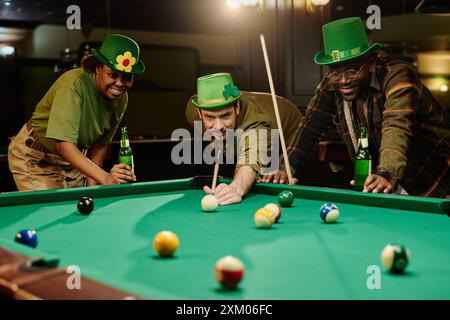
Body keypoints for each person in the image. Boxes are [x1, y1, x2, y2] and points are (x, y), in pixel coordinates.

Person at [263, 17, 450, 198]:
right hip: (392, 186)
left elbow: (396, 125)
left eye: (352, 71)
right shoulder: (333, 82)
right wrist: (286, 167)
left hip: (439, 179)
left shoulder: (397, 76)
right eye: (335, 72)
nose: (343, 80)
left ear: (370, 63)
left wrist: (386, 173)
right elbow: (309, 127)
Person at [8, 34, 145, 191]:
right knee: (54, 211)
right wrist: (106, 177)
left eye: (127, 77)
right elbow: (64, 146)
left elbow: (100, 146)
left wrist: (93, 189)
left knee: (80, 209)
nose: (120, 83)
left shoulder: (121, 98)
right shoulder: (73, 85)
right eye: (113, 75)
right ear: (98, 68)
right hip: (37, 158)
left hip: (74, 161)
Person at [185, 73, 303, 205]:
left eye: (225, 116)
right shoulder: (192, 113)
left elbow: (252, 156)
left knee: (274, 172)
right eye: (210, 117)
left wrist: (236, 188)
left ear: (237, 108)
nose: (218, 126)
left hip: (293, 137)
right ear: (199, 113)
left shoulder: (255, 122)